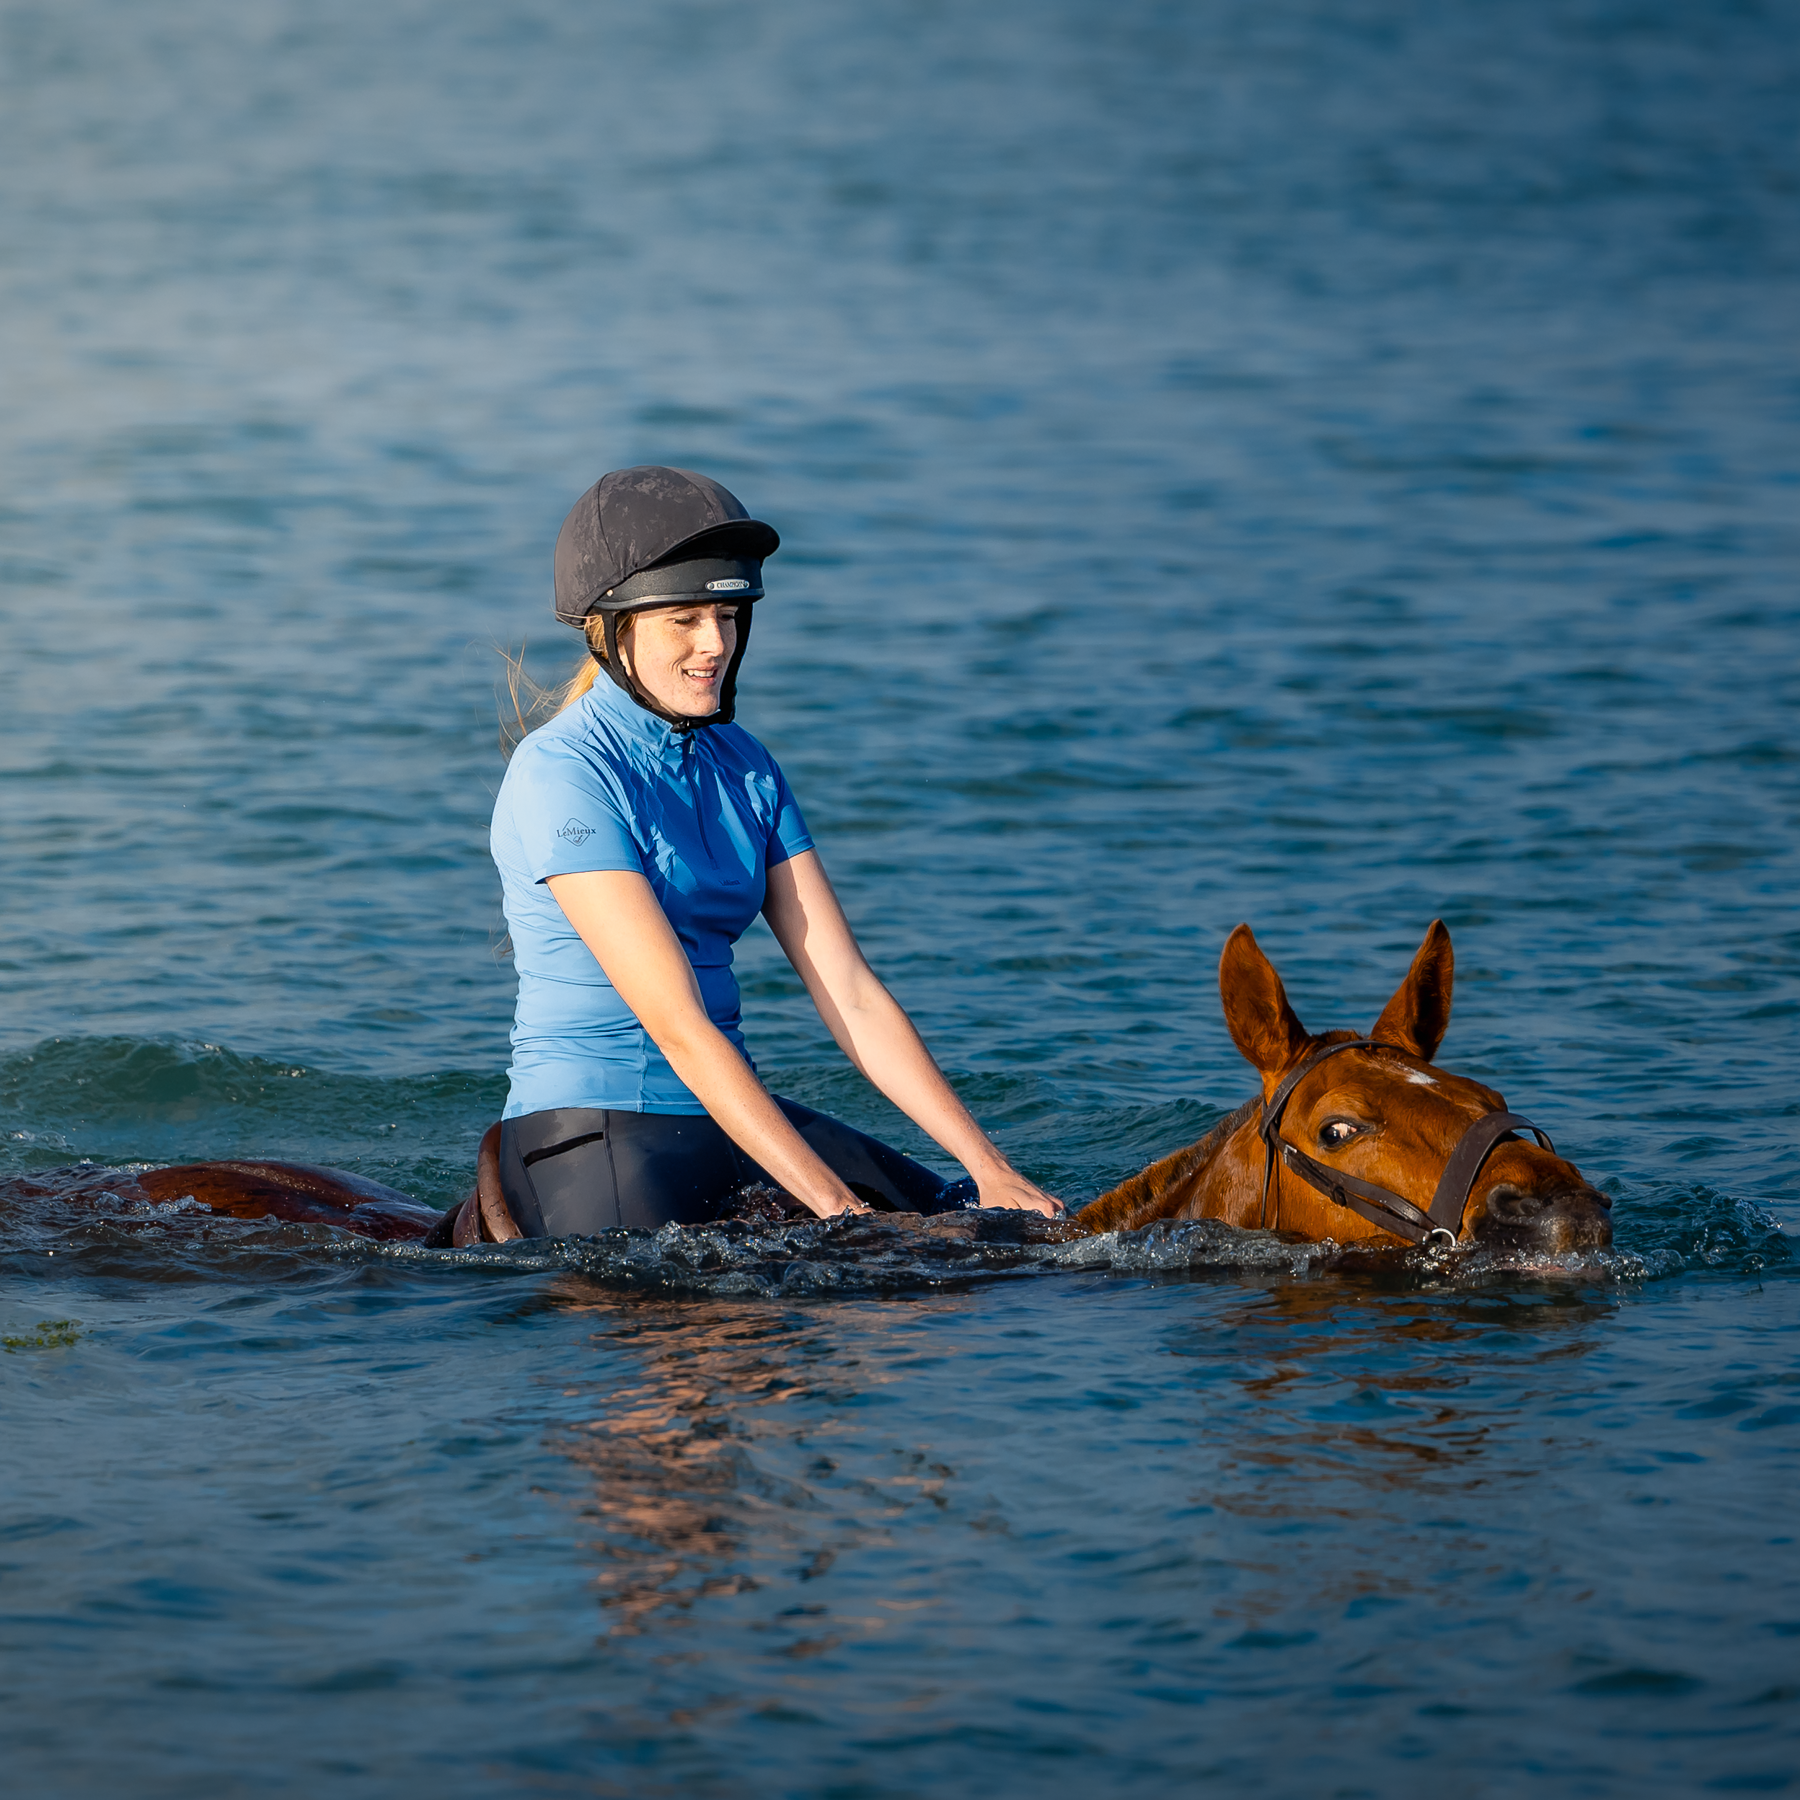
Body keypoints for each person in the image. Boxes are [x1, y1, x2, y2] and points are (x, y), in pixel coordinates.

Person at [488, 465, 1062, 1234]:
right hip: (598, 1126)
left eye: (728, 619)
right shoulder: (563, 771)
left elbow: (849, 988)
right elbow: (678, 1023)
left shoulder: (746, 763)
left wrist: (989, 1167)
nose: (714, 645)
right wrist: (836, 1207)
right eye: (683, 622)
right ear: (612, 630)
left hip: (735, 1115)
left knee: (996, 1233)